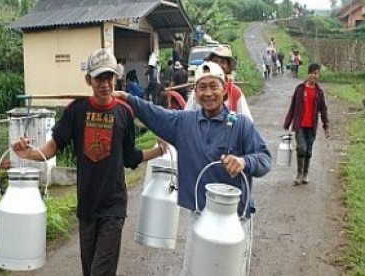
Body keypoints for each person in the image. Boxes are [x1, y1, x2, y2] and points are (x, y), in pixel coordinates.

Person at [12, 48, 167, 276]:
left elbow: (130, 157)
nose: (104, 83)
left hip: (113, 207)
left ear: (116, 78)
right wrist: (29, 154)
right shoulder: (76, 110)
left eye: (109, 77)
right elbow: (53, 146)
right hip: (86, 207)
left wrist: (157, 151)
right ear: (89, 80)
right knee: (90, 270)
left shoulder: (124, 112)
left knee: (100, 272)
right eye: (98, 78)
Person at [114, 61, 271, 275]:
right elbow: (155, 114)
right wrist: (129, 99)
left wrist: (245, 162)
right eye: (202, 87)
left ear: (225, 89)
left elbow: (264, 160)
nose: (208, 93)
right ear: (195, 92)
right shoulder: (183, 123)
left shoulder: (241, 125)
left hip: (235, 219)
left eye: (213, 86)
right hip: (201, 216)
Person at [283, 63, 330, 186]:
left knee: (308, 151)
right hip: (300, 125)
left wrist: (326, 126)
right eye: (313, 73)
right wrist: (287, 123)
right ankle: (299, 174)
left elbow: (323, 110)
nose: (315, 76)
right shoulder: (300, 89)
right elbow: (293, 106)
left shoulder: (319, 92)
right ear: (309, 74)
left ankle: (305, 174)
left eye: (317, 73)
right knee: (302, 148)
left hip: (312, 126)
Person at [186, 46, 254, 122]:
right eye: (215, 61)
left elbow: (247, 121)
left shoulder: (235, 92)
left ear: (228, 67)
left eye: (223, 62)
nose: (218, 65)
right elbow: (187, 118)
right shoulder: (199, 92)